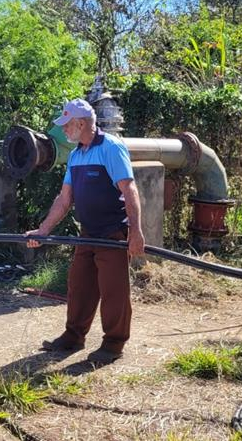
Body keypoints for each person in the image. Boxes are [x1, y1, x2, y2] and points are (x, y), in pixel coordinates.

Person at [24, 98, 145, 365]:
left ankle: (113, 343)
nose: (64, 131)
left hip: (113, 234)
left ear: (80, 123)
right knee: (79, 285)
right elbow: (64, 198)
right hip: (87, 233)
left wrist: (135, 232)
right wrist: (43, 229)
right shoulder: (76, 155)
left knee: (114, 291)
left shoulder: (111, 148)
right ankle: (73, 336)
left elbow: (129, 190)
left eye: (66, 125)